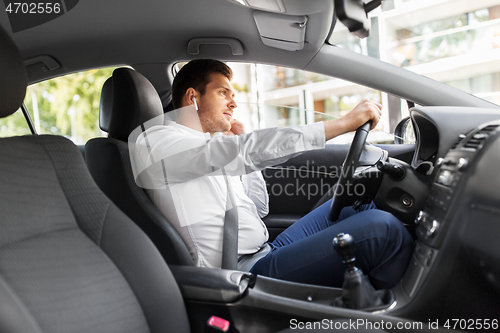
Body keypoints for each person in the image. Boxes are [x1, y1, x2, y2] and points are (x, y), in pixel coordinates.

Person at [133, 59, 414, 289]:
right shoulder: (158, 142)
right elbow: (243, 152)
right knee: (383, 230)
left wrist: (243, 151)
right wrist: (340, 125)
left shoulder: (207, 149)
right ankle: (381, 312)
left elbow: (259, 207)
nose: (233, 103)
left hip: (267, 249)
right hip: (240, 273)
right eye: (223, 93)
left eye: (233, 96)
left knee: (360, 202)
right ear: (193, 98)